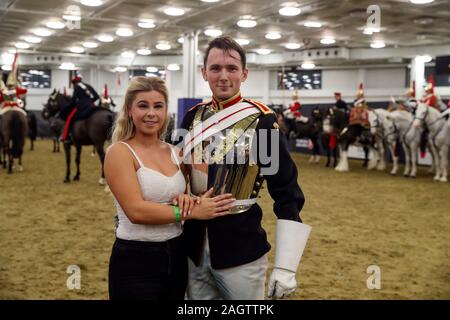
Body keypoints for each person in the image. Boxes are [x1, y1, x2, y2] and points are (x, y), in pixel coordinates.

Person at [176, 36, 311, 300]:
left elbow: (286, 192)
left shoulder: (263, 122)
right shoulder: (192, 117)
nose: (223, 76)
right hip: (192, 246)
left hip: (240, 249)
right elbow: (176, 175)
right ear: (204, 73)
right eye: (215, 68)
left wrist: (286, 267)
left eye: (232, 68)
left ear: (244, 74)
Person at [104, 76, 235, 300]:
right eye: (143, 105)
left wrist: (187, 200)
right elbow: (136, 211)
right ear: (129, 110)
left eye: (158, 106)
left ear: (166, 110)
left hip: (176, 253)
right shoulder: (119, 152)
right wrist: (191, 212)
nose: (151, 113)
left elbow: (182, 195)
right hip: (135, 258)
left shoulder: (176, 152)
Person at [60, 75, 100, 142]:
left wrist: (70, 105)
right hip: (92, 106)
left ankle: (66, 136)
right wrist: (90, 102)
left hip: (82, 106)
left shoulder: (76, 86)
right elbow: (97, 96)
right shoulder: (88, 86)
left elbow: (73, 100)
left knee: (69, 118)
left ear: (74, 82)